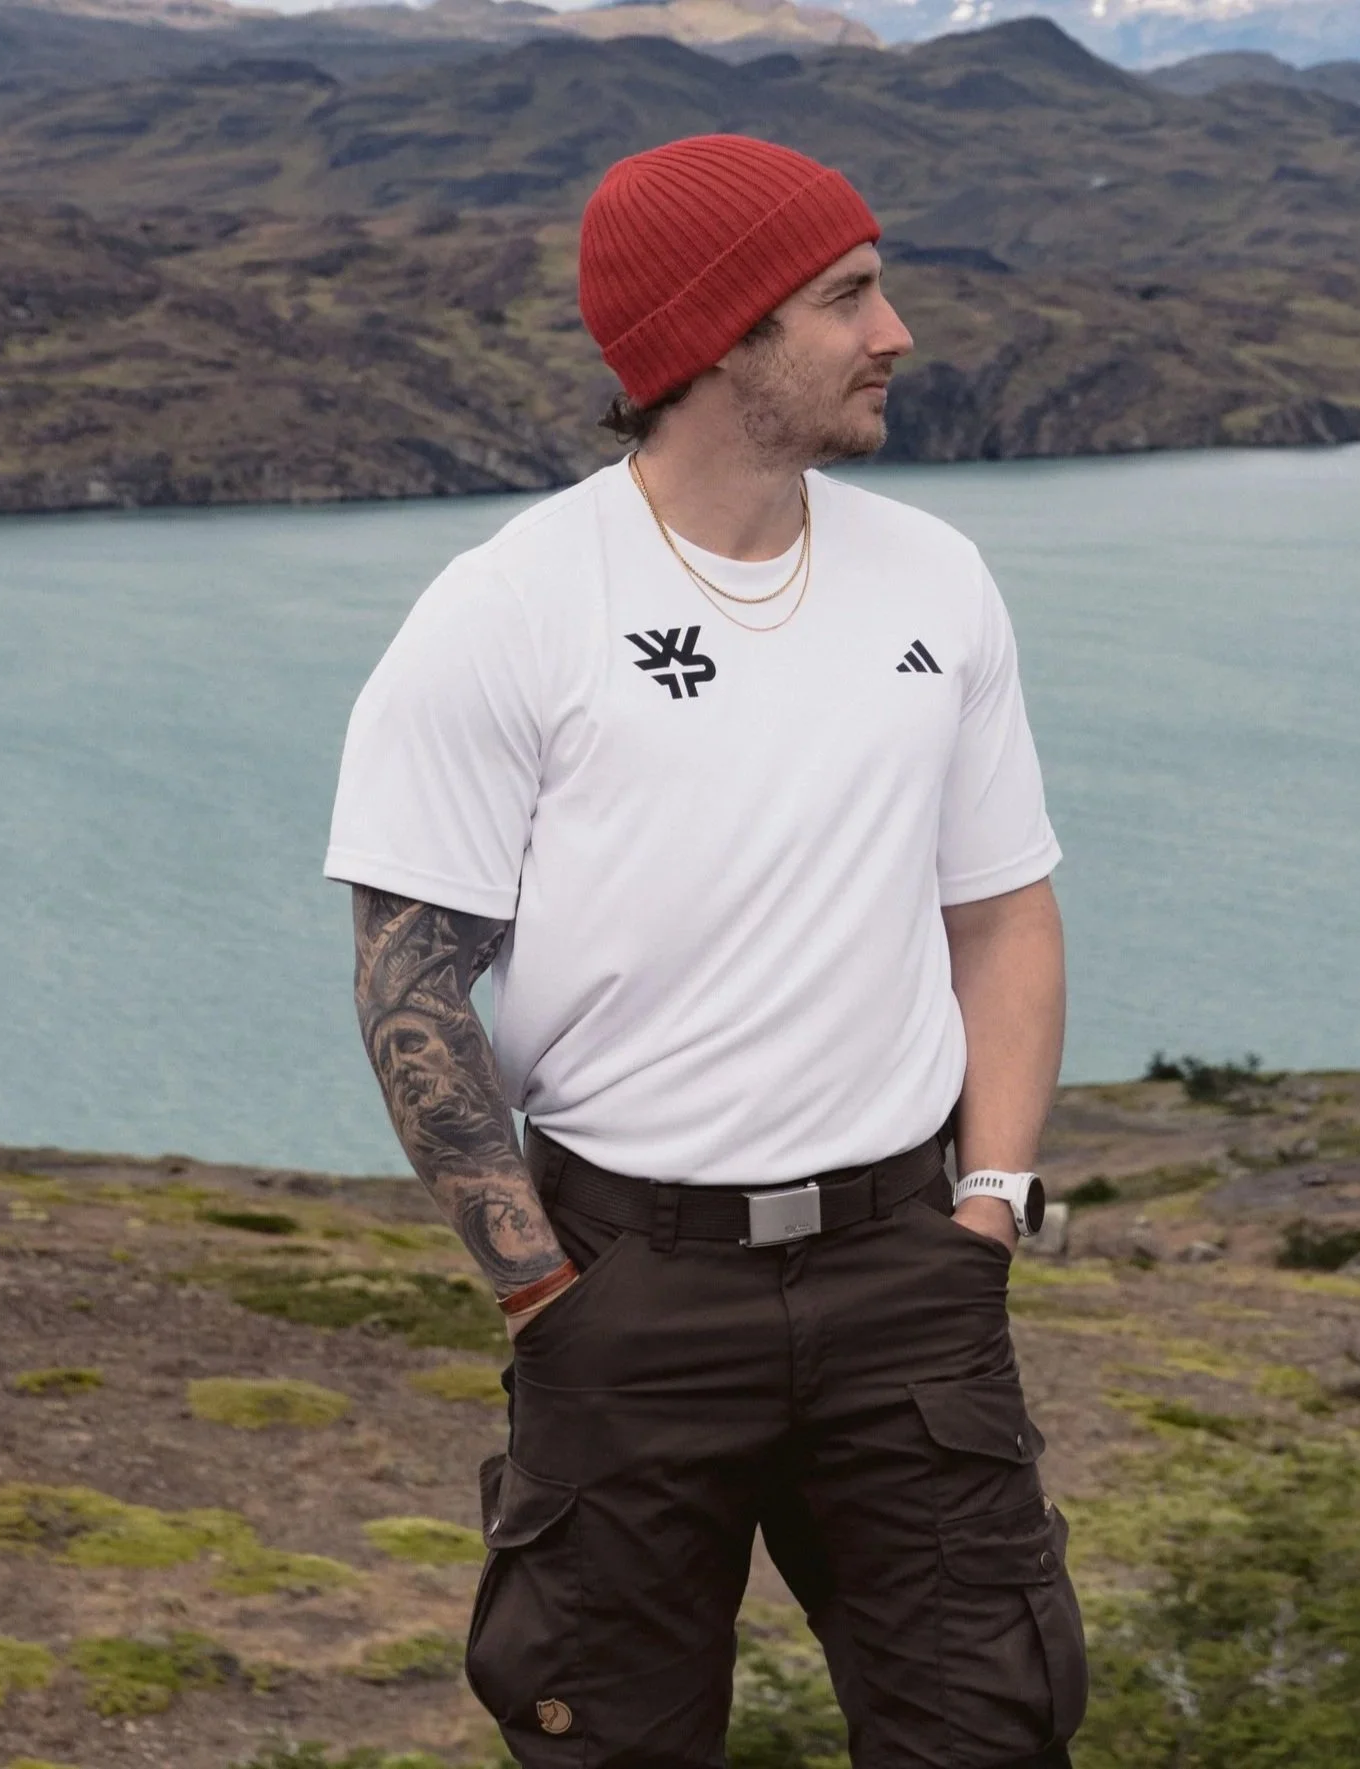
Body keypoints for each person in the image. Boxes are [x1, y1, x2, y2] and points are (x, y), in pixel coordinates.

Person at [325, 132, 1086, 1769]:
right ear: (718, 334)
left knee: (995, 1734)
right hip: (625, 1286)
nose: (897, 333)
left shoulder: (936, 578)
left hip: (911, 1276)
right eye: (849, 297)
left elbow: (1002, 909)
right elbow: (408, 980)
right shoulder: (509, 606)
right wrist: (540, 1290)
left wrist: (990, 1209)